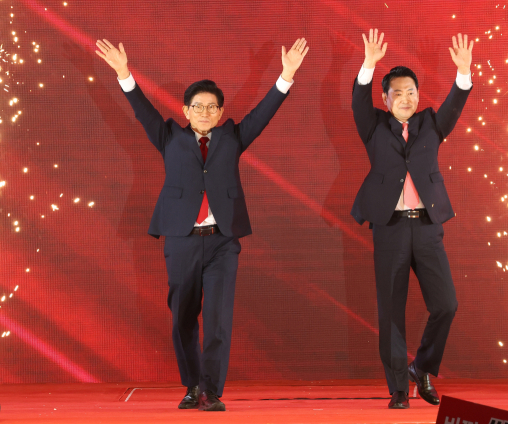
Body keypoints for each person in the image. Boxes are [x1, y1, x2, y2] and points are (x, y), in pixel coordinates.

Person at [95, 37, 309, 412]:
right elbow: (142, 110)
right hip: (182, 240)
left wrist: (286, 75)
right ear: (186, 110)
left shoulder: (232, 137)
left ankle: (211, 390)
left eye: (212, 107)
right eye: (198, 106)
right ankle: (192, 385)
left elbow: (263, 113)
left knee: (218, 320)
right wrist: (124, 73)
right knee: (183, 317)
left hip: (223, 241)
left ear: (221, 111)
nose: (205, 112)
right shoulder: (169, 137)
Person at [350, 29, 473, 409]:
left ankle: (421, 367)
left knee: (446, 304)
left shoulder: (431, 124)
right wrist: (368, 64)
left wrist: (463, 72)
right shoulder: (374, 126)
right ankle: (399, 389)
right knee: (391, 311)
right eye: (398, 93)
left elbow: (455, 103)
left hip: (426, 227)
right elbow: (358, 100)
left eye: (411, 92)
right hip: (389, 227)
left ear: (419, 96)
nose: (406, 99)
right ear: (385, 100)